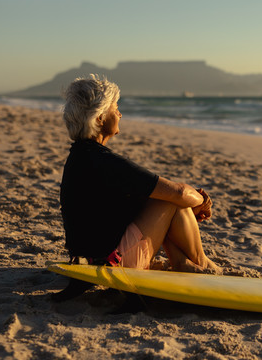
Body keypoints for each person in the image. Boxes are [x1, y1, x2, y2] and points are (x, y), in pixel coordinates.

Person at [54, 75, 220, 302]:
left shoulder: (82, 158)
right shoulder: (102, 161)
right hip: (112, 263)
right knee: (170, 198)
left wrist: (188, 205)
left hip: (92, 260)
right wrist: (202, 203)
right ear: (100, 118)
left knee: (166, 199)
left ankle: (182, 263)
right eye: (116, 108)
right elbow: (178, 193)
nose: (120, 114)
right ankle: (202, 263)